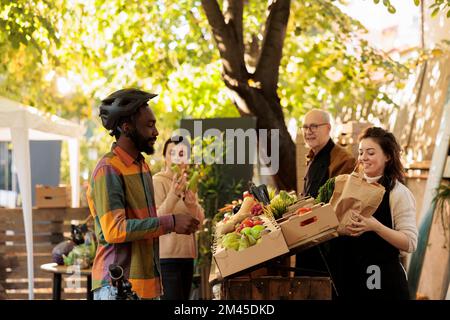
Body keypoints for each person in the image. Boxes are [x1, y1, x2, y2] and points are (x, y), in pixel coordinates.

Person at [86, 89, 199, 300]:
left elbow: (146, 224)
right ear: (126, 127)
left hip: (147, 287)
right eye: (149, 125)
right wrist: (171, 223)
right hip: (117, 287)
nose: (156, 132)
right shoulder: (108, 169)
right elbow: (114, 230)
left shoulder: (142, 167)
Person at [331, 126, 418, 299]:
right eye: (361, 152)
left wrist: (376, 227)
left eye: (370, 153)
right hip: (348, 278)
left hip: (381, 281)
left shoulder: (398, 193)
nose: (363, 158)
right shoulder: (347, 185)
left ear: (387, 156)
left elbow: (410, 243)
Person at [295, 109, 356, 276]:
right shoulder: (312, 156)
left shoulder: (344, 160)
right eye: (305, 127)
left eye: (314, 126)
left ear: (328, 128)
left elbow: (340, 207)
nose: (308, 132)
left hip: (328, 246)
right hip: (307, 237)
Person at [153, 136, 205, 300]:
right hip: (166, 259)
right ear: (165, 157)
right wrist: (173, 195)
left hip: (187, 256)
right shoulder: (158, 181)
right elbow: (155, 220)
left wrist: (192, 206)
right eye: (172, 153)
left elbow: (200, 222)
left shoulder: (190, 182)